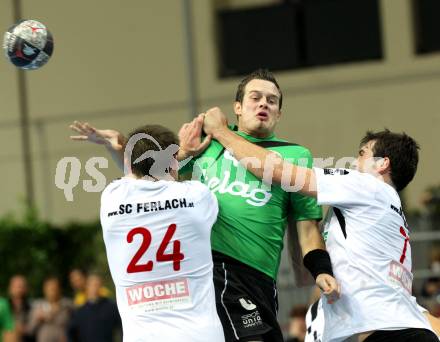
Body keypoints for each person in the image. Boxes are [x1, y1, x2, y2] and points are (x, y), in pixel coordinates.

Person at [69, 69, 339, 342]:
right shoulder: (206, 145)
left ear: (279, 113)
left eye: (272, 100)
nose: (263, 104)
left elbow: (307, 228)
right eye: (255, 98)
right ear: (237, 107)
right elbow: (148, 180)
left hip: (258, 279)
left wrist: (321, 269)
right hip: (210, 269)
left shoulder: (294, 155)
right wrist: (123, 147)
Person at [202, 107, 438, 341]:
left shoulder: (366, 185)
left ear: (382, 164)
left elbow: (278, 171)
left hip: (392, 334)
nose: (355, 162)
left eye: (362, 154)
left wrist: (221, 132)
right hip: (402, 327)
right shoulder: (391, 209)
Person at [98, 125, 224, 341]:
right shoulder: (197, 195)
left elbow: (132, 176)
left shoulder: (112, 198)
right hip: (200, 335)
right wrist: (187, 152)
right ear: (174, 159)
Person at [67, 274, 121, 342]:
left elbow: (122, 327)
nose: (95, 288)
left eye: (97, 285)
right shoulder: (80, 312)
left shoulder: (111, 307)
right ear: (87, 287)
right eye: (92, 285)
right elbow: (72, 334)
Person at [27, 277, 73, 342]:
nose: (52, 290)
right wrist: (37, 319)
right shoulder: (38, 307)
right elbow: (30, 330)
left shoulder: (67, 306)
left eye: (55, 288)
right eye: (50, 288)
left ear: (59, 289)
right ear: (44, 289)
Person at [8, 275, 34, 342]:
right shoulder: (4, 307)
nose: (20, 289)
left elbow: (32, 329)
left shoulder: (31, 307)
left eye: (22, 287)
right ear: (10, 288)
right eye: (17, 286)